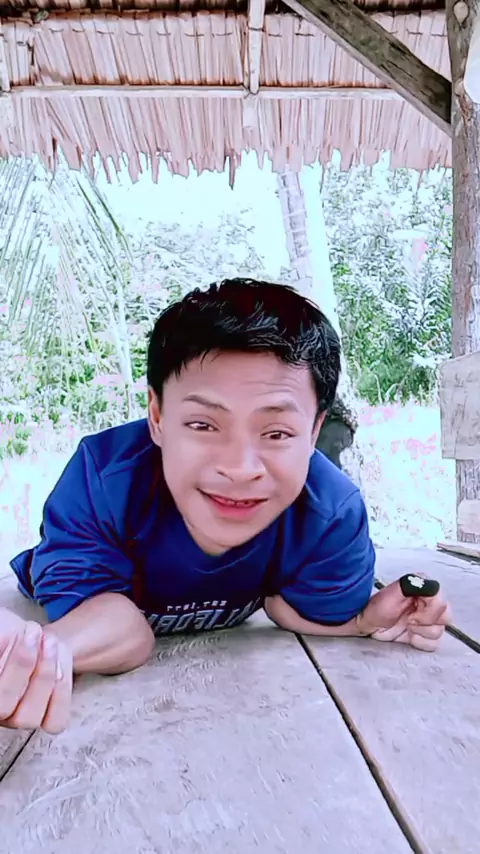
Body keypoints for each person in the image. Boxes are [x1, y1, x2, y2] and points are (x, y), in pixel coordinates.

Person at [0, 278, 451, 735]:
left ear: (314, 431)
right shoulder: (102, 479)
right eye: (203, 424)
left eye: (276, 433)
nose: (239, 468)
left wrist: (358, 622)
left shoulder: (329, 512)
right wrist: (34, 654)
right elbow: (120, 628)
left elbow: (287, 609)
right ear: (156, 417)